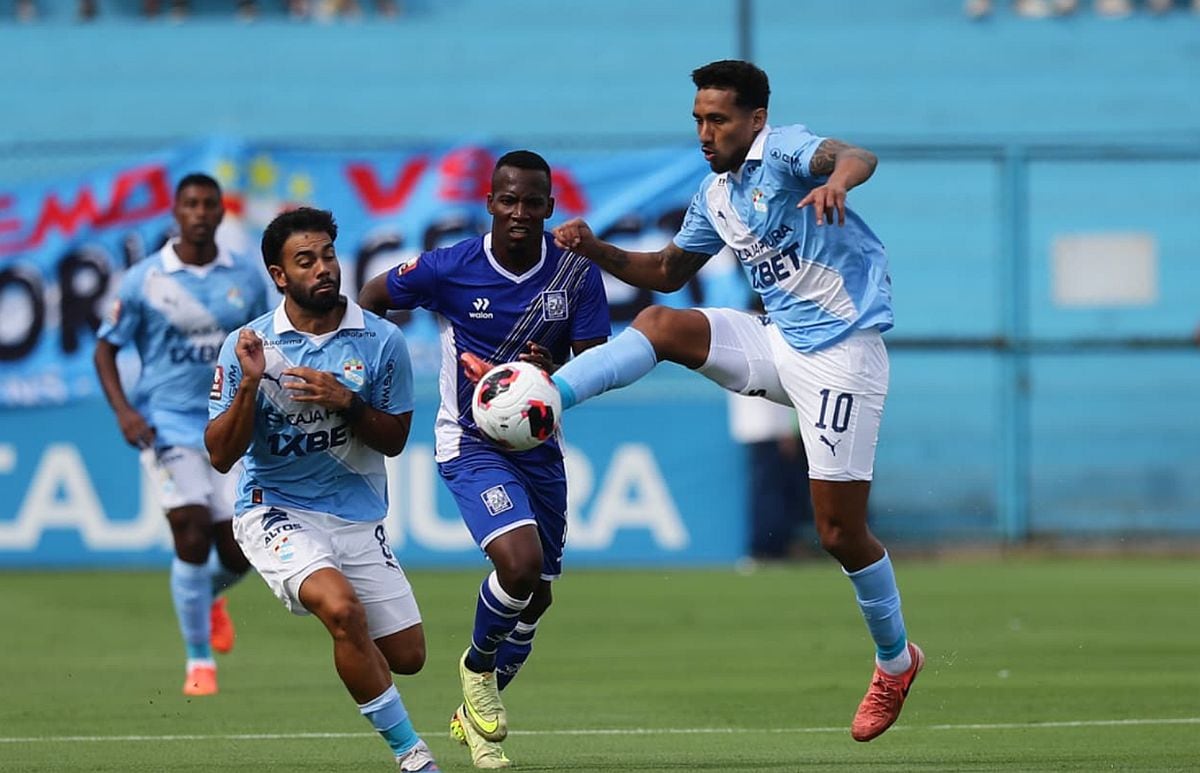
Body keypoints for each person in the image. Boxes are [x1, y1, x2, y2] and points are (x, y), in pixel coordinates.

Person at [550, 59, 922, 743]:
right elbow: (666, 271)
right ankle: (546, 397)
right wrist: (596, 248)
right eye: (697, 119)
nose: (704, 131)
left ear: (754, 120)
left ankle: (896, 662)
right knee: (661, 325)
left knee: (840, 532)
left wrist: (835, 180)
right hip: (781, 342)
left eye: (717, 118)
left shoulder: (783, 153)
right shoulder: (716, 195)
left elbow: (856, 154)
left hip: (843, 355)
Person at [359, 150, 610, 769]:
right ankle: (475, 671)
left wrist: (556, 373)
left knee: (537, 598)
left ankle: (471, 720)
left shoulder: (575, 272)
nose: (520, 212)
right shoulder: (449, 268)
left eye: (533, 202)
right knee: (519, 567)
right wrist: (373, 375)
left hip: (538, 448)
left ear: (549, 208)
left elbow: (595, 359)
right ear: (490, 203)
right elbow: (369, 297)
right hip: (469, 442)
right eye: (508, 200)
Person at [205, 207, 439, 772]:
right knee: (341, 610)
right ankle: (413, 755)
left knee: (408, 656)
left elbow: (395, 439)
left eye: (328, 256)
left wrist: (347, 402)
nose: (323, 270)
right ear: (279, 275)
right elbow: (219, 455)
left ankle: (349, 645)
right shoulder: (249, 345)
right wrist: (251, 387)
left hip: (356, 518)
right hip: (274, 510)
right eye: (305, 261)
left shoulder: (381, 340)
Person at [94, 172, 269, 696]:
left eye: (208, 204)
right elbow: (106, 348)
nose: (199, 212)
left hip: (230, 424)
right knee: (190, 532)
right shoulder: (144, 279)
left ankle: (209, 597)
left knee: (239, 551)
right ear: (177, 211)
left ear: (220, 213)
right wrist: (125, 411)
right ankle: (200, 663)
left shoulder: (244, 276)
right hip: (167, 426)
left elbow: (264, 344)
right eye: (190, 204)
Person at [728, 391, 814, 563]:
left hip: (756, 429)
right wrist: (786, 429)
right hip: (771, 432)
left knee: (768, 491)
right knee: (775, 493)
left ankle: (774, 545)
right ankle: (772, 547)